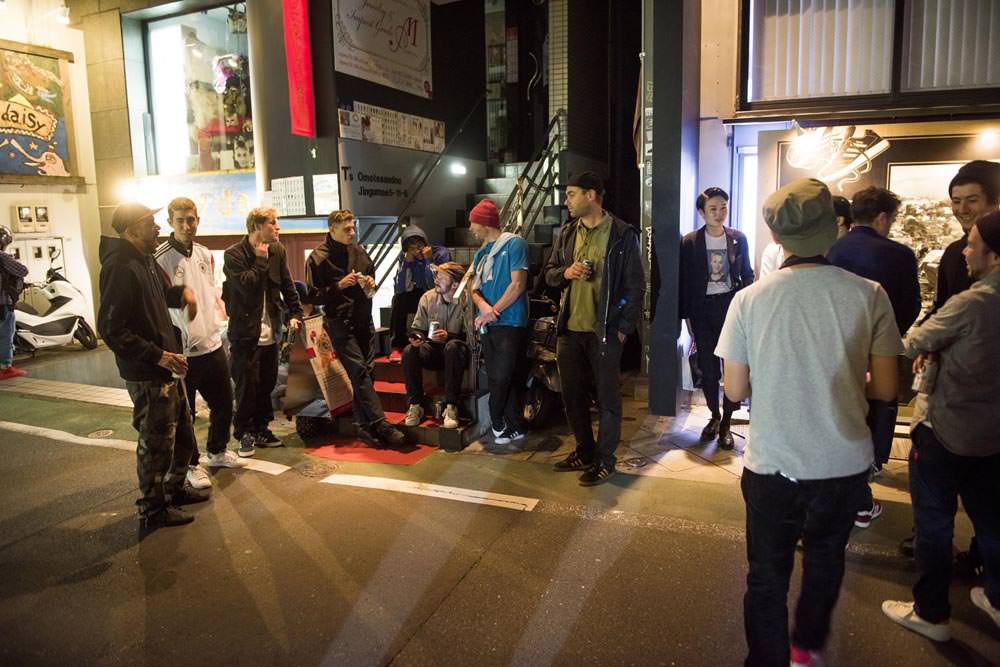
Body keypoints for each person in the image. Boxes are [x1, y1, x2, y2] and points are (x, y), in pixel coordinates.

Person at [716, 179, 902, 666]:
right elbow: (886, 389)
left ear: (776, 237)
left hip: (773, 464)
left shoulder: (748, 300)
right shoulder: (870, 295)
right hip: (843, 464)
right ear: (834, 230)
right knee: (825, 559)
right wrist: (843, 376)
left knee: (766, 576)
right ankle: (806, 647)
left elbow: (734, 390)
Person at [881, 210, 1000, 642]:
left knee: (933, 522)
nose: (965, 251)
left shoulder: (973, 301)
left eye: (972, 244)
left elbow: (914, 341)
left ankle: (931, 614)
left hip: (947, 426)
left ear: (994, 254)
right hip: (992, 432)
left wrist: (929, 347)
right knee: (991, 520)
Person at [97, 203, 210, 530]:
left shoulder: (144, 259)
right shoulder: (120, 266)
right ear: (130, 229)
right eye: (150, 222)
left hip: (168, 366)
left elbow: (164, 295)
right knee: (156, 443)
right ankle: (152, 508)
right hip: (147, 372)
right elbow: (111, 329)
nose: (158, 227)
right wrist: (157, 355)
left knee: (183, 435)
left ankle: (174, 489)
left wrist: (183, 294)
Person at [826, 186, 919, 529]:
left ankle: (846, 489)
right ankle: (865, 482)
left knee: (841, 415)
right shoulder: (900, 255)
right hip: (879, 352)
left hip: (837, 349)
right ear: (882, 217)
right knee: (879, 409)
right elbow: (911, 306)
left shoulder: (833, 249)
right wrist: (888, 337)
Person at [544, 172, 644, 486]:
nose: (567, 201)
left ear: (591, 195)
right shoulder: (567, 233)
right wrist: (567, 272)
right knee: (572, 396)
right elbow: (549, 274)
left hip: (605, 331)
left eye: (571, 194)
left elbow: (636, 286)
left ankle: (605, 460)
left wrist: (623, 327)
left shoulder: (622, 234)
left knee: (607, 399)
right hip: (569, 329)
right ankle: (585, 451)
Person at [155, 198, 246, 488]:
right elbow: (162, 306)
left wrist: (218, 325)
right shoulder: (160, 259)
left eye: (191, 219)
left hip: (212, 344)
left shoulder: (206, 254)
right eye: (180, 220)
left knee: (224, 403)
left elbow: (211, 295)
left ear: (197, 220)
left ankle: (217, 451)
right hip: (183, 351)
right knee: (186, 414)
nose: (186, 225)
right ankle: (191, 465)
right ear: (170, 222)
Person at [305, 210, 405, 448]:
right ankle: (381, 424)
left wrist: (371, 283)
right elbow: (311, 296)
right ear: (332, 229)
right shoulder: (318, 258)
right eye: (347, 229)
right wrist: (338, 286)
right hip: (339, 322)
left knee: (367, 372)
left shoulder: (359, 251)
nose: (352, 232)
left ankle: (363, 427)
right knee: (359, 371)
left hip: (364, 319)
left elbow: (371, 285)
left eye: (353, 228)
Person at [222, 207, 303, 458]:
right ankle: (243, 432)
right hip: (245, 333)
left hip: (271, 330)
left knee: (267, 383)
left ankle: (261, 428)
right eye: (272, 223)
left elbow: (287, 283)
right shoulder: (234, 254)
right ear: (256, 226)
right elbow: (246, 286)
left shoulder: (278, 250)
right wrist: (259, 259)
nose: (278, 227)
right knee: (247, 386)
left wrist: (295, 313)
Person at [679, 186, 754, 450]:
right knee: (708, 369)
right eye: (713, 208)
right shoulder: (690, 241)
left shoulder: (738, 238)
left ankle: (727, 423)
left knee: (733, 366)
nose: (719, 213)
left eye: (723, 207)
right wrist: (687, 317)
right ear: (702, 212)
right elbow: (685, 282)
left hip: (730, 308)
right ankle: (714, 415)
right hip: (702, 311)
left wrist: (746, 306)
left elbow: (747, 274)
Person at [469, 198, 529, 445]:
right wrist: (484, 308)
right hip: (489, 322)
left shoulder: (515, 244)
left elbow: (518, 285)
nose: (471, 228)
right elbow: (473, 288)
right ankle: (513, 425)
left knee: (503, 375)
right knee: (499, 374)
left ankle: (497, 420)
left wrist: (492, 311)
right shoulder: (481, 254)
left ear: (484, 223)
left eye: (473, 223)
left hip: (510, 321)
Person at [928, 160, 1000, 318]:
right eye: (956, 201)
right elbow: (941, 307)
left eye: (972, 201)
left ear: (995, 202)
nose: (962, 209)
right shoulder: (953, 252)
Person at [402, 262, 470, 429]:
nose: (436, 280)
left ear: (455, 284)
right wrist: (417, 337)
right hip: (433, 349)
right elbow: (418, 328)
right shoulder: (428, 297)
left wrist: (449, 336)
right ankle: (415, 405)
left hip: (458, 352)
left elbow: (471, 336)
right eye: (436, 276)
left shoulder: (467, 300)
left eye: (442, 278)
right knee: (410, 351)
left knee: (453, 346)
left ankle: (451, 406)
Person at [388, 223, 451, 359]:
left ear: (425, 243)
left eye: (419, 244)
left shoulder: (440, 253)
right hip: (420, 292)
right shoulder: (406, 258)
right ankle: (397, 345)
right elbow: (400, 288)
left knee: (430, 298)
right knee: (398, 299)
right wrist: (407, 263)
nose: (416, 249)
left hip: (439, 292)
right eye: (411, 247)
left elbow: (434, 284)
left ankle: (432, 341)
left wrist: (428, 260)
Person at [0, 225, 28, 379]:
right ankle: (5, 367)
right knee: (5, 334)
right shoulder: (2, 256)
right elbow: (23, 270)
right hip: (3, 303)